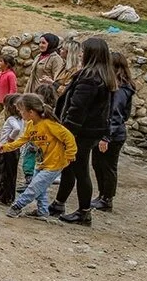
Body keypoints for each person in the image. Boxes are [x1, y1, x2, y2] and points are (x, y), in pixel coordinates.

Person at [50, 38, 116, 226]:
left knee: (80, 170)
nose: (80, 54)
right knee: (71, 168)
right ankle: (59, 204)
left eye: (83, 51)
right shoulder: (103, 76)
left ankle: (84, 212)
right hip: (90, 131)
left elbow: (77, 108)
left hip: (80, 132)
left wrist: (66, 133)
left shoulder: (89, 78)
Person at [1, 94, 77, 218]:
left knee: (34, 187)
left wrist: (69, 155)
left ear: (31, 112)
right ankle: (43, 212)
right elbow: (22, 140)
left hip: (54, 164)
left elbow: (68, 137)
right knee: (40, 189)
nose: (20, 113)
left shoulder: (49, 124)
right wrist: (7, 147)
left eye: (21, 111)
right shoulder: (31, 125)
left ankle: (17, 206)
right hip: (42, 163)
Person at [91, 52, 136, 212]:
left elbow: (115, 114)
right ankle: (102, 195)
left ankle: (107, 198)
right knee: (98, 164)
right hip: (107, 133)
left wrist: (106, 137)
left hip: (112, 135)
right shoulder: (116, 87)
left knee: (108, 166)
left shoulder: (121, 89)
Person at [0, 94, 24, 206]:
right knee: (12, 174)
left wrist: (10, 138)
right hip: (16, 149)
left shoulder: (11, 119)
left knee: (3, 173)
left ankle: (3, 196)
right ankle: (10, 197)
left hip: (6, 148)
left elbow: (16, 129)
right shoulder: (22, 119)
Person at [0, 54, 18, 132]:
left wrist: (10, 100)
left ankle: (7, 132)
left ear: (7, 64)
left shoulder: (11, 75)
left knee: (7, 117)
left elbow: (13, 89)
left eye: (1, 61)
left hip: (8, 101)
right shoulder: (0, 74)